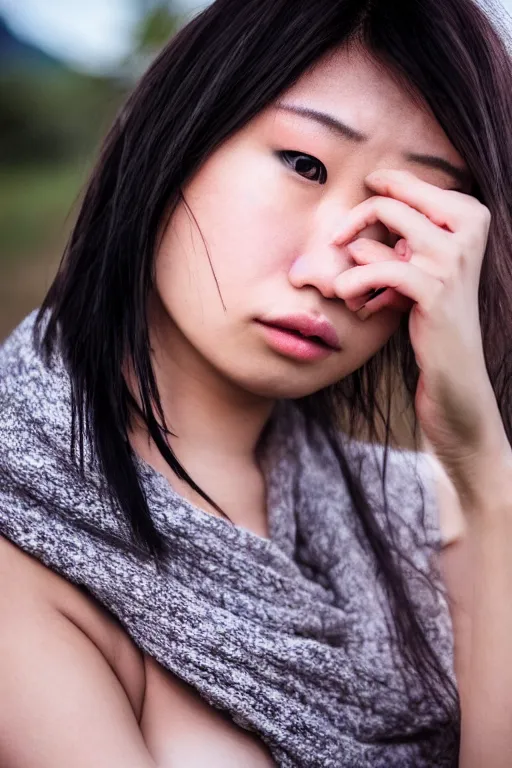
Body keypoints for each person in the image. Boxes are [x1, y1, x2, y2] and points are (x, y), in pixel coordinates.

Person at [1, 0, 512, 765]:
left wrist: (485, 473)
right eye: (304, 165)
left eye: (402, 221)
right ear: (177, 134)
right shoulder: (23, 530)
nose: (334, 272)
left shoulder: (442, 515)